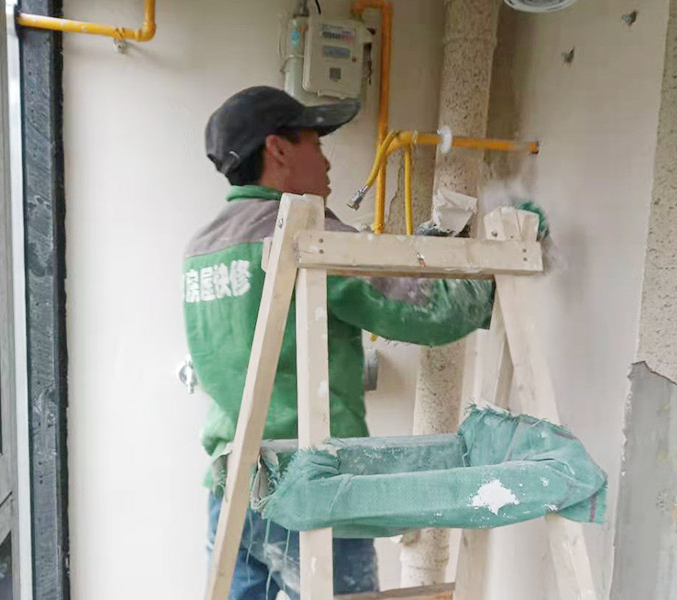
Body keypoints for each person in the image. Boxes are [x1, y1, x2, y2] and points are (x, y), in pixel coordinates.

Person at [183, 86, 495, 600]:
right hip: (311, 487)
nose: (326, 161)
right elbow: (425, 313)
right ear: (278, 149)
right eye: (315, 143)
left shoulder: (202, 248)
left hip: (232, 483)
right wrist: (492, 279)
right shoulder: (307, 236)